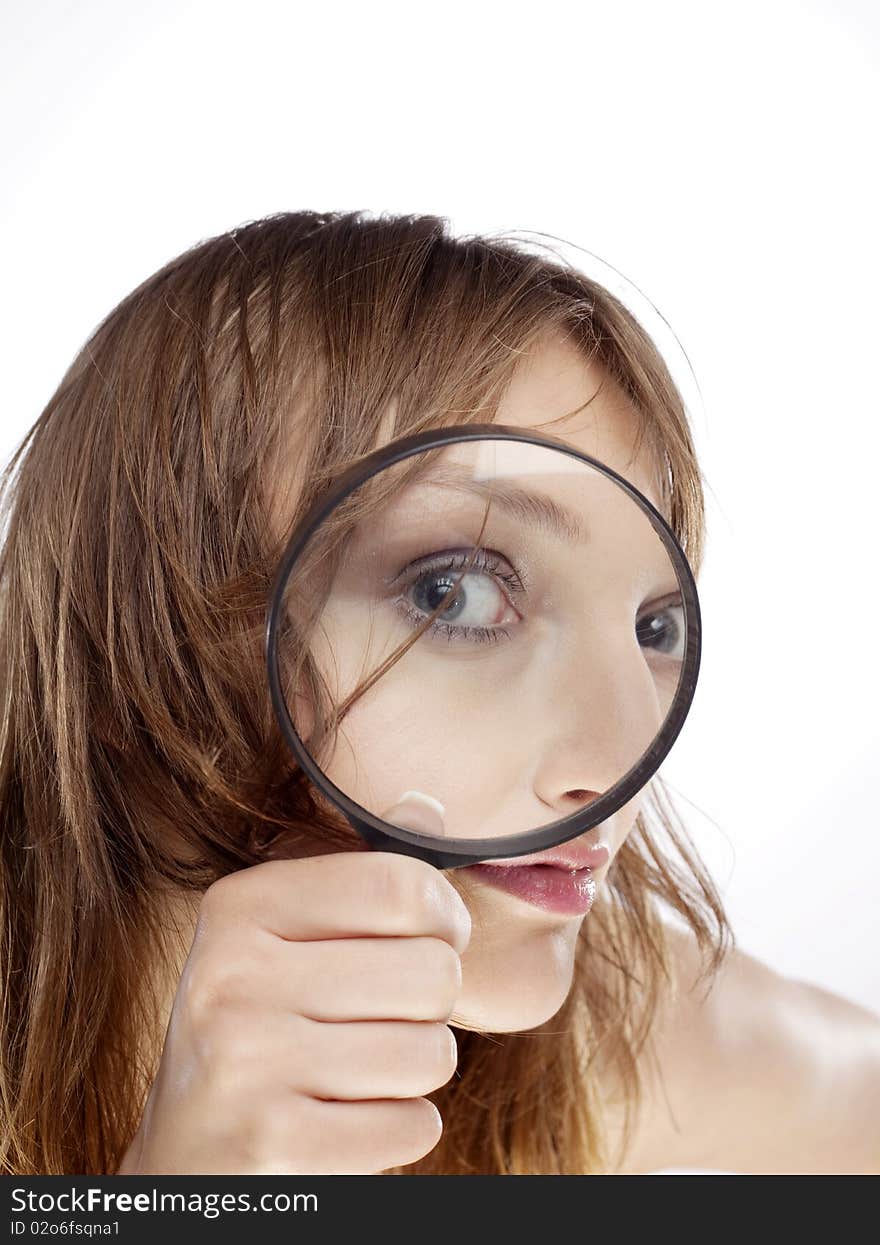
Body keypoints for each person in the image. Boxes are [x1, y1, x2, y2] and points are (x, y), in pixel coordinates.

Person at [0, 210, 877, 1176]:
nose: (618, 767)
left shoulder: (593, 1040)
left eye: (652, 627)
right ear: (137, 624)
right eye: (452, 591)